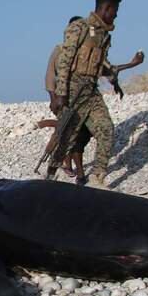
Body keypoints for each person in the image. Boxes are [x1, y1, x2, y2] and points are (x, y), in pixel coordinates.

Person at [50, 0, 145, 188]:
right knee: (67, 137)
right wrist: (60, 93)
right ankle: (50, 175)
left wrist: (116, 80)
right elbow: (65, 60)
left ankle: (97, 177)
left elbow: (101, 64)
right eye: (114, 12)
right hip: (73, 90)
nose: (115, 16)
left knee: (106, 129)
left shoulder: (104, 35)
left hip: (91, 91)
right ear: (106, 8)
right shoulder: (80, 27)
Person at [45, 16, 90, 181]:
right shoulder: (60, 49)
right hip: (64, 99)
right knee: (67, 134)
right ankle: (68, 171)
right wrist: (53, 98)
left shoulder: (86, 50)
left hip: (84, 99)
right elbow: (50, 75)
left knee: (81, 134)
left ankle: (73, 168)